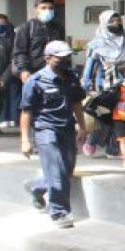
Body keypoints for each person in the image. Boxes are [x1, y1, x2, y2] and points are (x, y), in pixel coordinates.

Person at [21, 40, 87, 229]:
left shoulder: (71, 77)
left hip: (67, 128)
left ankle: (37, 187)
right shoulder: (35, 81)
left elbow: (76, 104)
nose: (65, 60)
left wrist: (82, 127)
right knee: (56, 170)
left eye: (67, 57)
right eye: (60, 58)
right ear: (48, 58)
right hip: (45, 130)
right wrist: (25, 140)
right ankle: (59, 212)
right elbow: (26, 112)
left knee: (66, 171)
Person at [80, 9, 125, 157]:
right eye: (112, 21)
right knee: (102, 117)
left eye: (118, 21)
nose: (116, 23)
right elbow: (89, 68)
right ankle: (91, 141)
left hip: (123, 85)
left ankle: (113, 149)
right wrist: (83, 88)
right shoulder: (96, 44)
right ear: (104, 23)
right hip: (102, 86)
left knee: (118, 118)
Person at [11, 0, 64, 84]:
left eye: (50, 8)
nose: (47, 10)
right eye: (43, 8)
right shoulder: (26, 27)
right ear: (36, 9)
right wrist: (24, 70)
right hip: (33, 73)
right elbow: (19, 52)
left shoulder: (58, 28)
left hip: (54, 71)